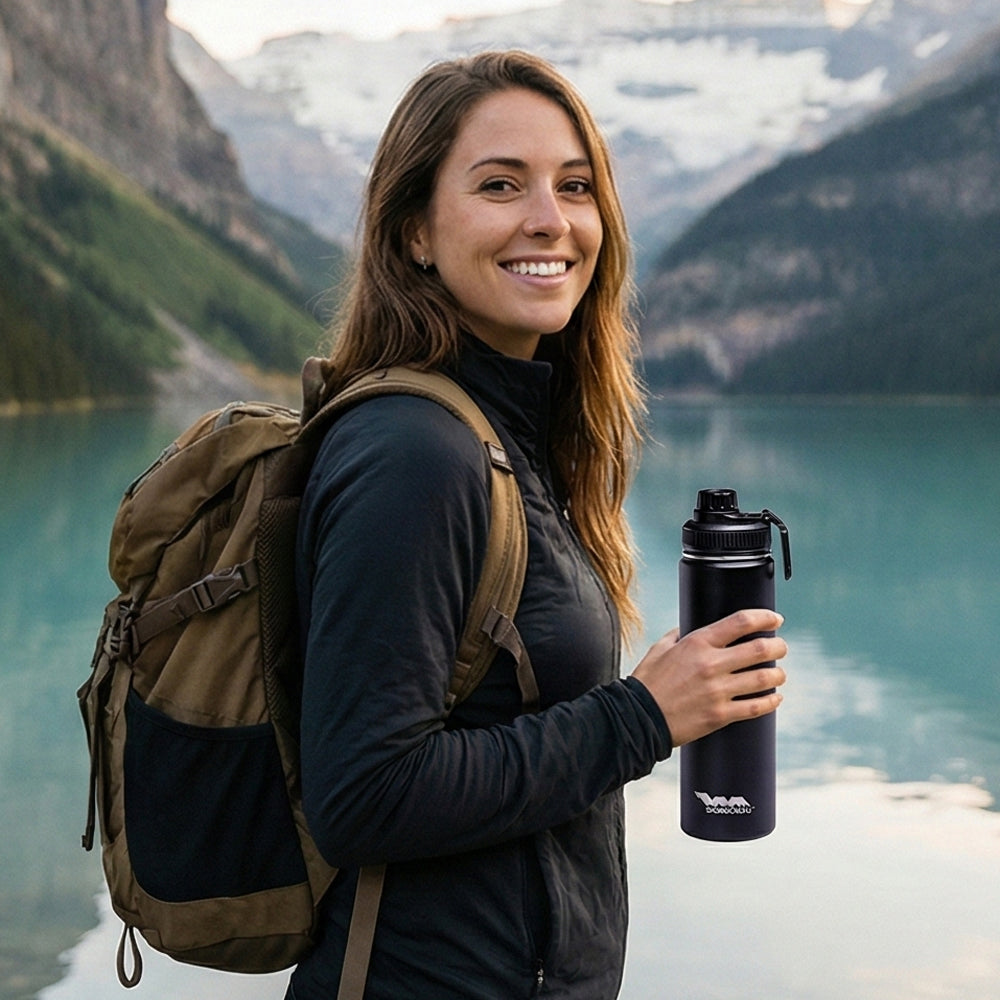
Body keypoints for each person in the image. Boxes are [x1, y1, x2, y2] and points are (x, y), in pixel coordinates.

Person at [288, 50, 787, 1000]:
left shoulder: (511, 439)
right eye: (500, 185)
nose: (550, 220)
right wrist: (643, 716)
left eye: (575, 186)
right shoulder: (414, 453)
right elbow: (365, 793)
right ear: (415, 234)